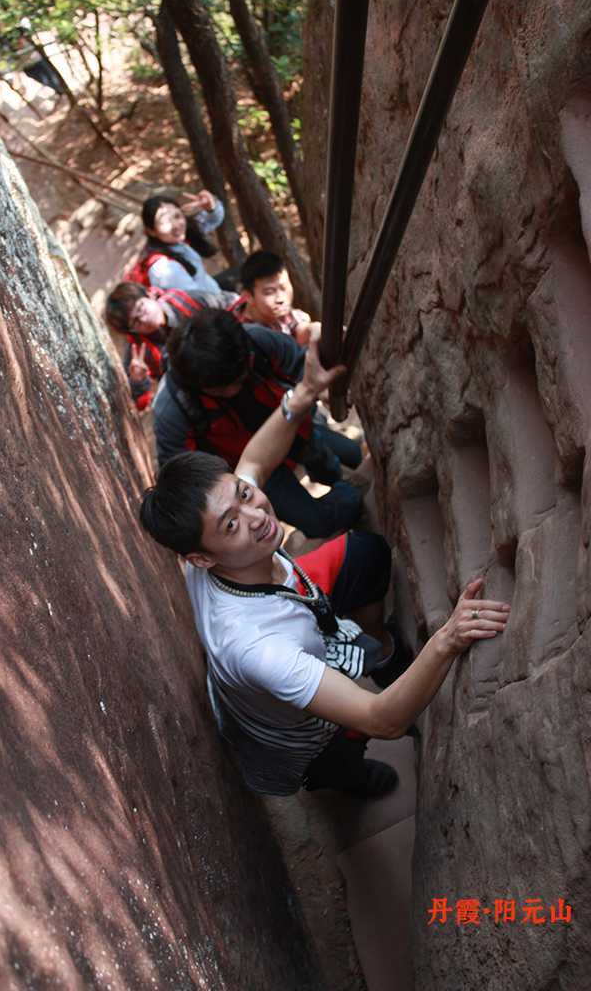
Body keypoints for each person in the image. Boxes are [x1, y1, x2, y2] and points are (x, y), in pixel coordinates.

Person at [139, 328, 511, 797]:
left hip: (292, 600)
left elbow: (253, 459)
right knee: (342, 752)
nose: (257, 517)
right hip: (301, 734)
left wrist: (307, 390)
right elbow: (384, 719)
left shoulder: (217, 547)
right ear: (200, 558)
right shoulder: (263, 652)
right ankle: (352, 784)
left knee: (363, 554)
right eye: (230, 524)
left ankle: (374, 644)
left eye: (245, 496)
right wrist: (447, 639)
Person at [153, 308, 365, 539]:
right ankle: (356, 494)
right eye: (222, 389)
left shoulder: (257, 341)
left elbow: (299, 364)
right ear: (195, 384)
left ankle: (343, 484)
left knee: (339, 461)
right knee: (319, 523)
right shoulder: (172, 412)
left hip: (297, 430)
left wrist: (322, 389)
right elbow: (183, 478)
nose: (234, 390)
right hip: (253, 474)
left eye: (240, 379)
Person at [105, 282, 239, 410]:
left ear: (149, 295)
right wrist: (138, 381)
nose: (144, 320)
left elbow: (234, 303)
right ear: (131, 331)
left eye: (141, 308)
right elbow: (135, 403)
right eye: (135, 322)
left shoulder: (186, 301)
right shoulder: (139, 353)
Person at [139, 190, 225, 294]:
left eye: (177, 216)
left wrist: (211, 206)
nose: (176, 225)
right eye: (165, 221)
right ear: (151, 231)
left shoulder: (181, 238)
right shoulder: (163, 268)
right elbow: (196, 300)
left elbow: (212, 220)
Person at [238, 250, 313, 346]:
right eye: (269, 292)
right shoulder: (242, 336)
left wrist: (313, 329)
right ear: (248, 296)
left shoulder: (279, 314)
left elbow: (301, 329)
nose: (280, 299)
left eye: (284, 288)